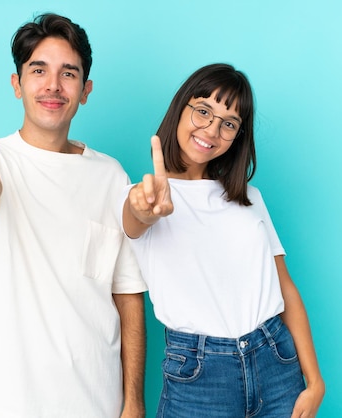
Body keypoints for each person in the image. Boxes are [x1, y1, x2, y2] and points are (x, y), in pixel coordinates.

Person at [0, 13, 147, 418]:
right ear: (17, 85)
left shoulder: (111, 175)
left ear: (85, 90)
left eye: (68, 73)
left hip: (94, 403)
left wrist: (133, 402)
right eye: (39, 70)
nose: (53, 85)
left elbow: (127, 294)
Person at [122, 63, 325, 417]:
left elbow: (285, 288)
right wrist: (145, 208)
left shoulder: (249, 198)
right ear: (181, 108)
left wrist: (315, 381)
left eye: (228, 123)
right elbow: (135, 219)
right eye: (203, 111)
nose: (212, 130)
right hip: (198, 376)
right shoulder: (145, 194)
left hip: (276, 360)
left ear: (237, 136)